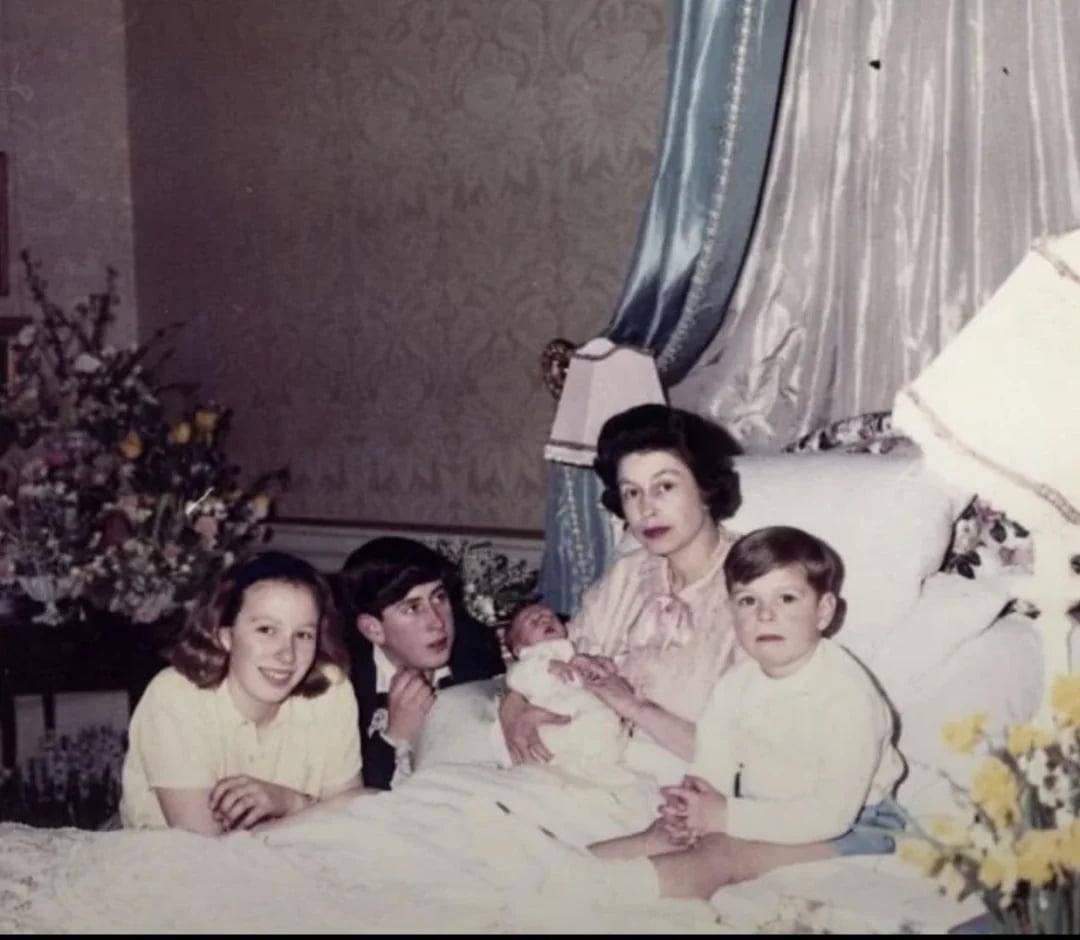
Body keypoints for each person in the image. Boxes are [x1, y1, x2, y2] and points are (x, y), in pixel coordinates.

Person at [589, 525, 906, 898]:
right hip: (764, 807)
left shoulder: (847, 696)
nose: (765, 615)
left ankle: (599, 898)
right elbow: (713, 762)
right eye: (747, 601)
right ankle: (554, 871)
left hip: (856, 825)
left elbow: (830, 814)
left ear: (823, 611)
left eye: (786, 598)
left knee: (719, 854)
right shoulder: (738, 683)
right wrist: (692, 806)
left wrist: (724, 817)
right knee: (662, 836)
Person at [499, 403, 744, 772]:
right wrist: (513, 709)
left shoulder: (757, 585)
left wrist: (634, 708)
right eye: (632, 492)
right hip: (582, 768)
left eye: (665, 486)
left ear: (706, 488)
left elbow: (745, 758)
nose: (646, 509)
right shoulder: (626, 576)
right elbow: (553, 658)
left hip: (678, 790)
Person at [120, 551, 365, 835]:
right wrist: (315, 811)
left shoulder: (331, 690)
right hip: (176, 869)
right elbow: (205, 850)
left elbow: (354, 822)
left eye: (303, 635)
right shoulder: (174, 696)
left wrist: (291, 802)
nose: (287, 655)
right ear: (225, 636)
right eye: (266, 630)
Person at [337, 536, 505, 790]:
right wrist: (395, 736)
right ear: (373, 630)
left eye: (438, 598)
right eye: (412, 608)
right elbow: (342, 793)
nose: (437, 622)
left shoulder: (473, 646)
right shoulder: (344, 682)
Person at [495, 602, 632, 785]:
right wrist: (547, 666)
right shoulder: (532, 658)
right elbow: (516, 677)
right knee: (589, 731)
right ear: (519, 649)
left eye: (551, 616)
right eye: (534, 622)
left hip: (583, 715)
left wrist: (597, 665)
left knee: (605, 732)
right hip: (552, 719)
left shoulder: (576, 652)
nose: (545, 619)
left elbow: (608, 678)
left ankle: (596, 767)